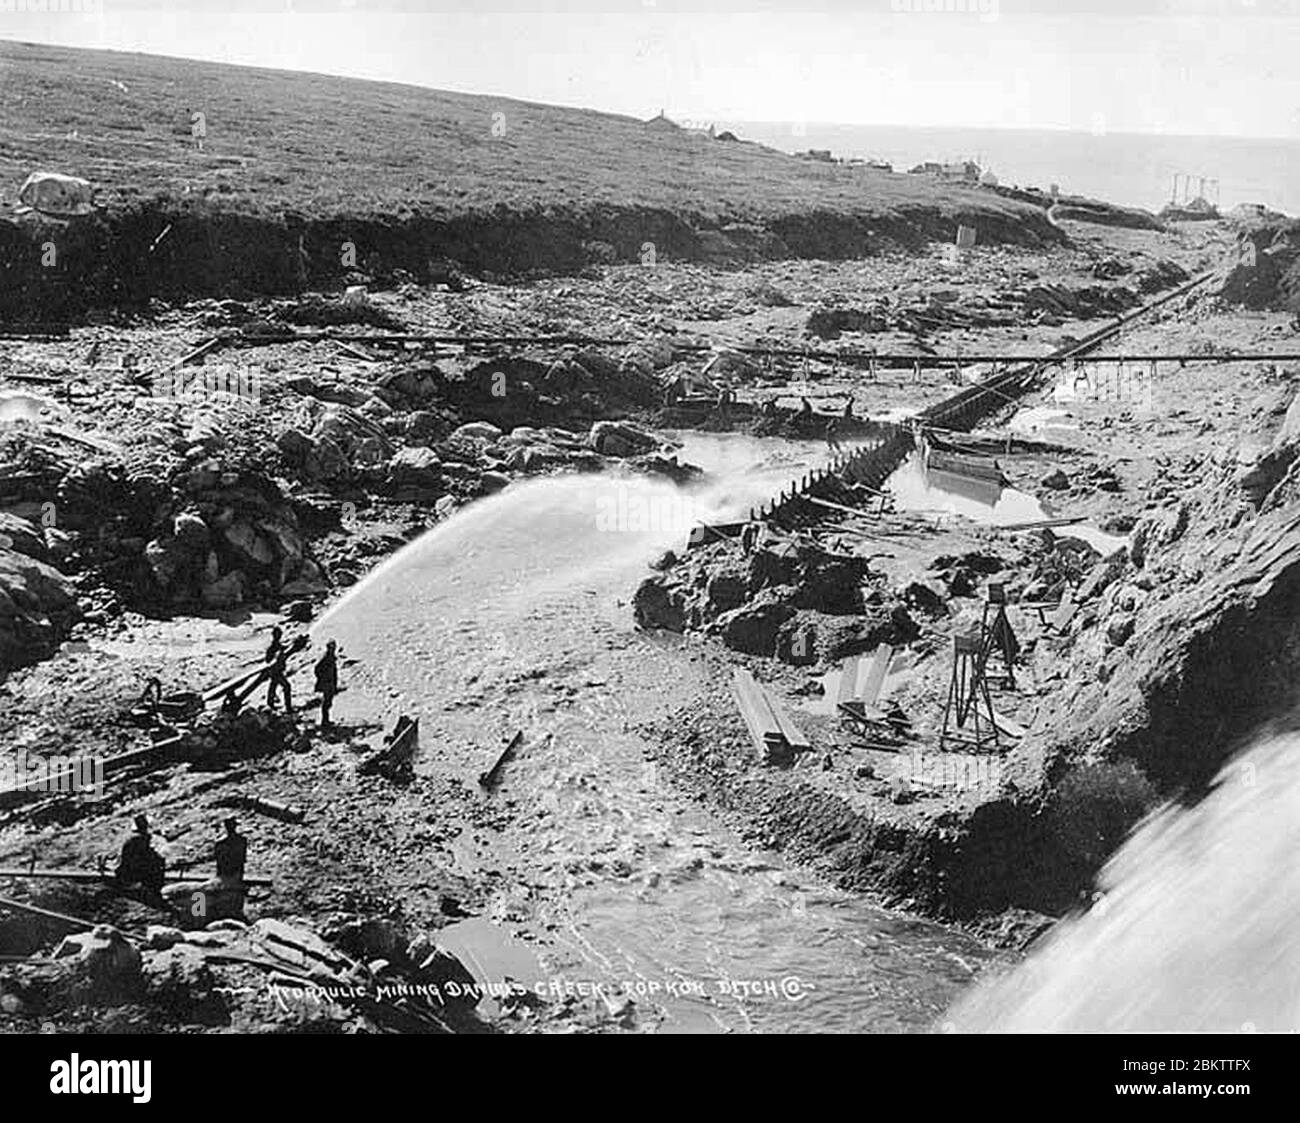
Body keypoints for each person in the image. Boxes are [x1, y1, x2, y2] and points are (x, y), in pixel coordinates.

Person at [114, 814, 165, 897]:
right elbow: (145, 855)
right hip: (133, 871)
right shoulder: (139, 840)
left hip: (129, 869)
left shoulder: (133, 838)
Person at [314, 639, 340, 729]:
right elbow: (317, 669)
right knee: (326, 702)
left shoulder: (331, 657)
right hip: (327, 683)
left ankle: (326, 720)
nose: (333, 649)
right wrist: (323, 679)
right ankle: (324, 721)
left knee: (328, 702)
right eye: (331, 647)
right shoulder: (326, 658)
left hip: (331, 683)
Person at [213, 818, 248, 882]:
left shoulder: (220, 843)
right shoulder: (242, 840)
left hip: (229, 873)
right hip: (234, 872)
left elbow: (219, 863)